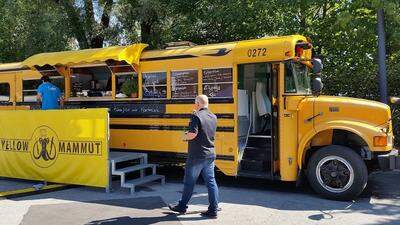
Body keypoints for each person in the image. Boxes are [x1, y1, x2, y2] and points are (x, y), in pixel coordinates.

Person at [169, 95, 219, 218]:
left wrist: (184, 135)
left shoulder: (196, 116)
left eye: (195, 103)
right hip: (210, 153)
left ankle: (182, 206)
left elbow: (192, 134)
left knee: (189, 182)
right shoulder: (213, 116)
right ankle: (213, 210)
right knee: (211, 182)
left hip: (197, 155)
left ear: (197, 103)